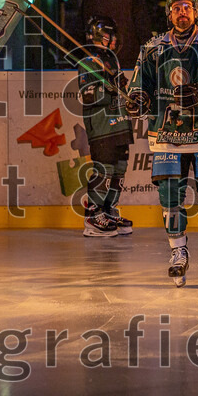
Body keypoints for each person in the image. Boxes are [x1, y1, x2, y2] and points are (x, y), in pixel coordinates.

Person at [126, 0, 198, 286]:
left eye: (187, 7)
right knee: (169, 193)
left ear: (196, 12)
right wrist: (138, 98)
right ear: (169, 14)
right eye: (176, 8)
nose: (182, 12)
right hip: (168, 133)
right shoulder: (152, 48)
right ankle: (178, 251)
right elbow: (139, 83)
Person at [76, 16, 134, 237]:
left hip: (120, 124)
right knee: (104, 169)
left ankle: (109, 210)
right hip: (101, 127)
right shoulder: (88, 62)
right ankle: (93, 215)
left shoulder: (112, 61)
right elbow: (88, 95)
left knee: (120, 168)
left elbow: (122, 92)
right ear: (101, 36)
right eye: (111, 36)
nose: (115, 40)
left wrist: (130, 98)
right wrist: (108, 87)